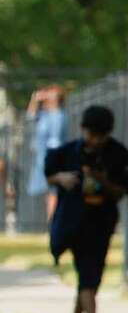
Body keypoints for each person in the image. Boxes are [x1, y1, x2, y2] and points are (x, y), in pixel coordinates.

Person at [44, 105, 128, 313]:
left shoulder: (117, 155)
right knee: (87, 274)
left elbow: (122, 190)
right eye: (90, 134)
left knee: (90, 276)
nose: (93, 140)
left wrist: (100, 179)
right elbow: (49, 173)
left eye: (99, 135)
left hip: (100, 223)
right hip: (73, 222)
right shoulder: (67, 153)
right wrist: (61, 178)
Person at [27, 87, 69, 221]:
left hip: (52, 159)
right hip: (43, 158)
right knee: (49, 192)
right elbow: (30, 116)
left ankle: (53, 222)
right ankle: (52, 220)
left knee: (53, 191)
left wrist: (52, 161)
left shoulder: (58, 116)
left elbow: (55, 141)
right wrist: (35, 98)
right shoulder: (45, 115)